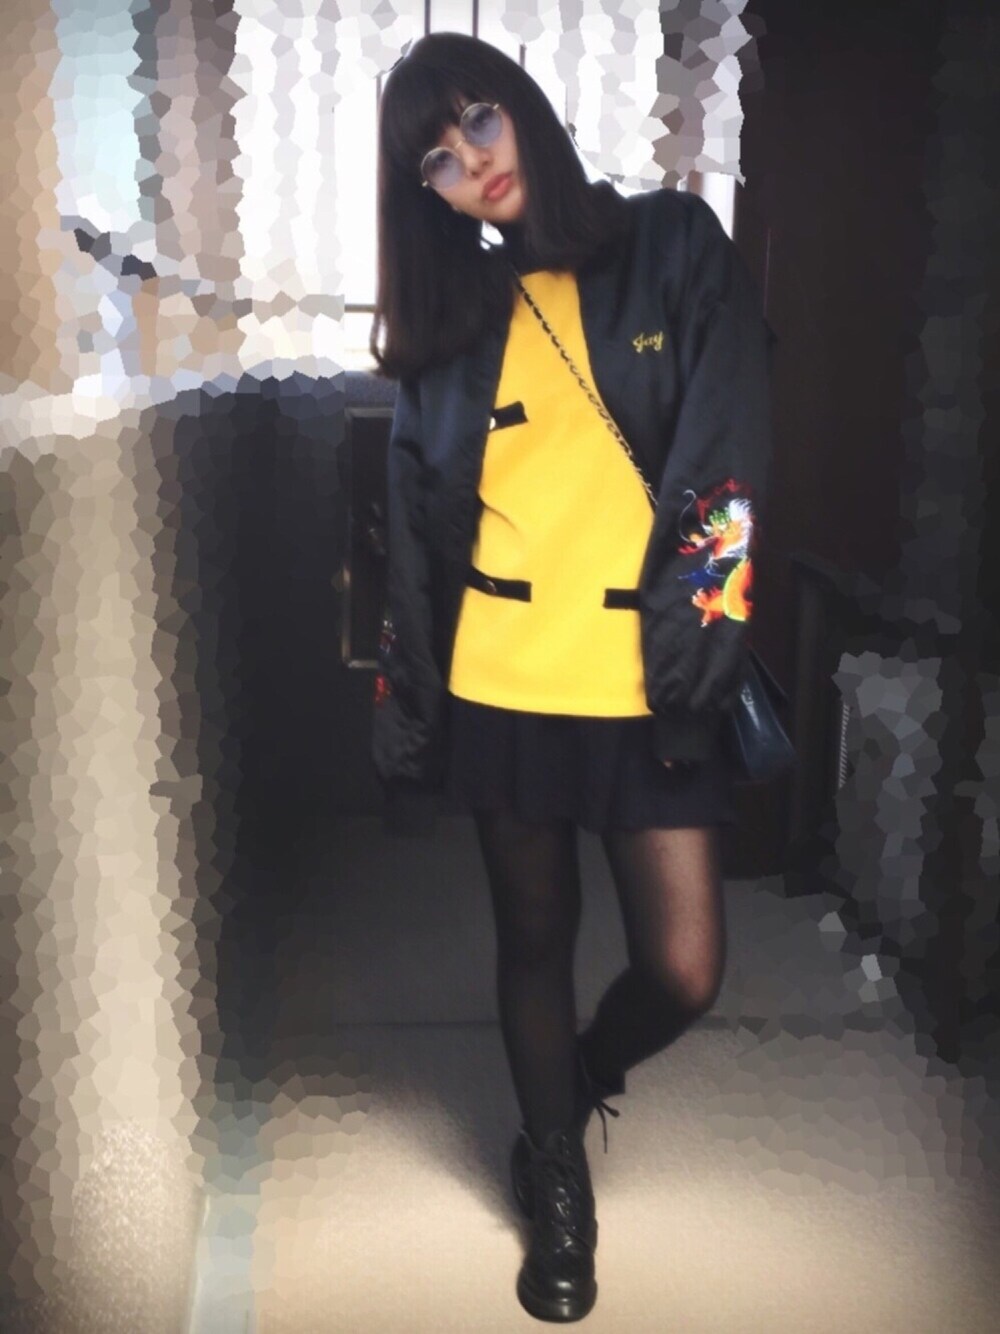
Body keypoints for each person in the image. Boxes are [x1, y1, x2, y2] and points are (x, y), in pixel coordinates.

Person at [369, 31, 773, 1325]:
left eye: (476, 121)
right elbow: (416, 536)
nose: (468, 162)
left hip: (650, 675)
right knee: (532, 940)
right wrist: (409, 715)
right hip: (504, 677)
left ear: (524, 108)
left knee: (686, 967)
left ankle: (580, 1074)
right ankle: (555, 1170)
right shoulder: (453, 320)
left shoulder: (674, 246)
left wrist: (697, 663)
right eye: (436, 160)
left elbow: (723, 469)